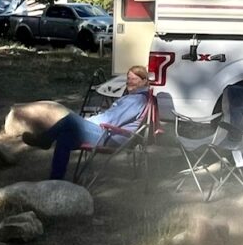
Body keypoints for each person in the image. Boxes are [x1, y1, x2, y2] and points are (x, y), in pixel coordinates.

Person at [22, 65, 151, 180]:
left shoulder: (136, 100)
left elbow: (111, 119)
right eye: (128, 78)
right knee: (64, 137)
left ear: (144, 81)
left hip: (110, 137)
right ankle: (55, 180)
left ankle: (45, 140)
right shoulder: (134, 97)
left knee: (71, 119)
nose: (129, 82)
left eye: (134, 79)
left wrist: (84, 122)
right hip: (107, 132)